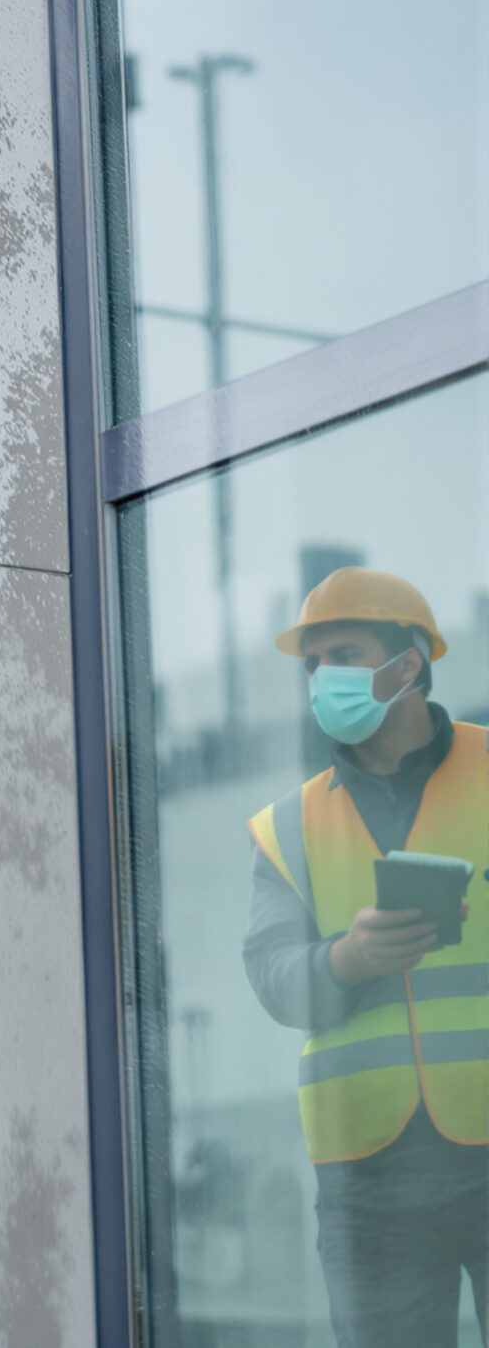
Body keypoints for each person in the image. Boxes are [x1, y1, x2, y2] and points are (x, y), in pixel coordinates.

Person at [242, 566, 488, 1347]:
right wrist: (348, 958)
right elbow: (273, 976)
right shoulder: (287, 825)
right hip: (368, 1177)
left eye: (342, 655)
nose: (322, 679)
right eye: (313, 664)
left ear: (407, 664)